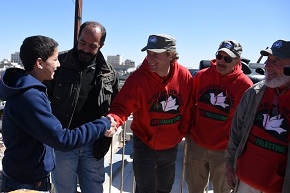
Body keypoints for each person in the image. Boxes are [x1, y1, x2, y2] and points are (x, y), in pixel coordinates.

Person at [0, 35, 115, 192]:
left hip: (29, 177)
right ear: (39, 63)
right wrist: (104, 123)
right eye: (55, 59)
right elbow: (63, 140)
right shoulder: (30, 96)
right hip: (25, 183)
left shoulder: (31, 90)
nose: (59, 65)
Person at [107, 34, 193, 193]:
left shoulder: (184, 75)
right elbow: (121, 107)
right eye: (148, 53)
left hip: (170, 143)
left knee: (164, 187)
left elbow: (188, 107)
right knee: (145, 188)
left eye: (156, 54)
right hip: (145, 142)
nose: (149, 58)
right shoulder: (137, 78)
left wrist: (181, 131)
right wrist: (113, 120)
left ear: (171, 55)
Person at [44, 21, 119, 193]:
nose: (85, 49)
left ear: (101, 45)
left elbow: (116, 106)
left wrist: (114, 123)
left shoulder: (109, 73)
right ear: (77, 39)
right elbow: (43, 99)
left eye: (92, 46)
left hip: (94, 145)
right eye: (82, 43)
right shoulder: (58, 65)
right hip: (63, 144)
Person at [185, 40, 253, 193]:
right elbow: (189, 105)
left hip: (225, 151)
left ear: (237, 61)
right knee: (194, 189)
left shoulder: (245, 85)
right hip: (197, 145)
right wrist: (187, 131)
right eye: (219, 56)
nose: (221, 61)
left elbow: (246, 121)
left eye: (227, 59)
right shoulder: (201, 76)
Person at [225, 39, 290, 193]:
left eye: (276, 61)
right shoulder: (254, 93)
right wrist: (229, 163)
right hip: (244, 183)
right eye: (268, 60)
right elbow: (236, 131)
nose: (267, 65)